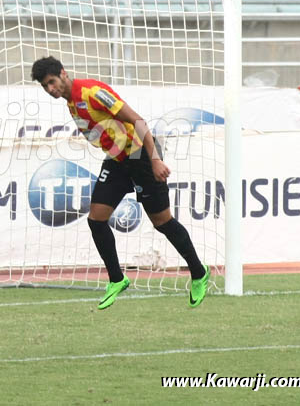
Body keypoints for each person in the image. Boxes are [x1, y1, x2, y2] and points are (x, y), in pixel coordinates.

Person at [30, 56, 210, 309]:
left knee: (162, 222)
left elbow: (138, 121)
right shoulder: (71, 102)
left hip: (141, 155)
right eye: (45, 86)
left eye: (51, 82)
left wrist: (155, 159)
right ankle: (117, 278)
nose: (50, 89)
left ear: (63, 73)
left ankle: (198, 272)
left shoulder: (92, 92)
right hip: (117, 160)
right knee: (96, 218)